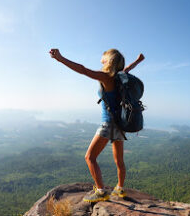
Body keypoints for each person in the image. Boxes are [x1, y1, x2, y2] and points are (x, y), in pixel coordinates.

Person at [49, 48, 144, 202]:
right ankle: (120, 189)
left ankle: (101, 191)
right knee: (119, 161)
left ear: (109, 61)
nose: (101, 58)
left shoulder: (106, 77)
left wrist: (61, 59)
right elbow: (128, 69)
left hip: (108, 124)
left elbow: (83, 70)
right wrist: (138, 61)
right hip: (120, 124)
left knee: (90, 157)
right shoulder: (121, 76)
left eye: (104, 57)